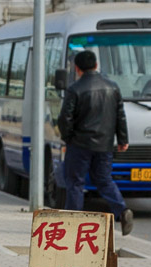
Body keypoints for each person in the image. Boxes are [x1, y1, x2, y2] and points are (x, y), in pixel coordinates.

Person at [57, 50, 134, 236]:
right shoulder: (113, 87)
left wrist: (68, 138)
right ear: (96, 66)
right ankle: (122, 211)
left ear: (77, 68)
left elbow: (64, 119)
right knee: (104, 180)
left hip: (80, 144)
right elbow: (120, 116)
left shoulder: (74, 89)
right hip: (104, 145)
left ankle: (73, 223)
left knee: (75, 182)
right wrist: (122, 140)